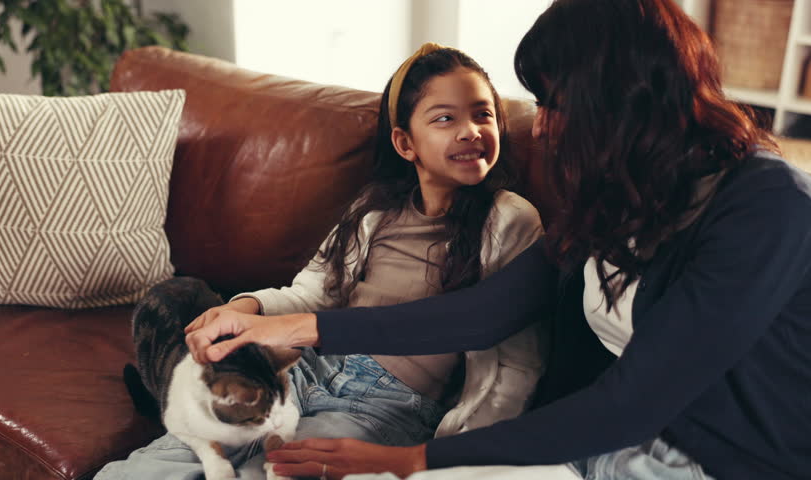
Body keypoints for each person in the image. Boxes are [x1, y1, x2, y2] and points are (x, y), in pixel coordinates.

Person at [186, 1, 811, 479]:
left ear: (612, 101)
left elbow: (629, 404)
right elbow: (483, 315)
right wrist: (298, 327)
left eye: (553, 102)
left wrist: (409, 459)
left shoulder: (766, 204)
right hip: (609, 444)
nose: (539, 126)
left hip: (719, 462)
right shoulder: (622, 192)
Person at [97, 43, 547, 480]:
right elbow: (311, 293)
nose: (470, 130)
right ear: (405, 143)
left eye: (482, 114)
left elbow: (515, 366)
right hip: (300, 368)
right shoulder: (374, 212)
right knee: (152, 466)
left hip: (384, 403)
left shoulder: (510, 221)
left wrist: (456, 457)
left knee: (269, 472)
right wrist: (247, 308)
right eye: (445, 118)